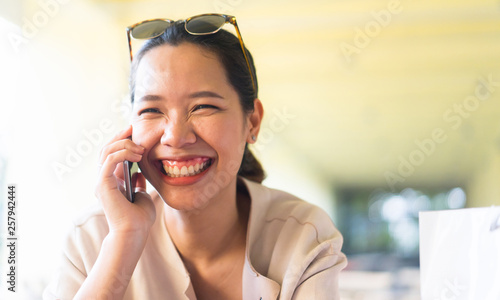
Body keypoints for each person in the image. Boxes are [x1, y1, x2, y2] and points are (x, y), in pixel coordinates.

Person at [43, 14, 347, 300]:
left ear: (252, 121)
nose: (175, 136)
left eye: (203, 107)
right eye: (151, 111)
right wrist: (124, 241)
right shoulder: (91, 240)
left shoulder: (302, 234)